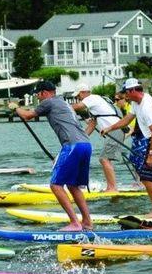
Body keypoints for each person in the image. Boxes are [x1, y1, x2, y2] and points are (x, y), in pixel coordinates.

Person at [9, 80, 93, 231]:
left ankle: (75, 223)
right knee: (73, 186)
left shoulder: (49, 102)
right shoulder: (63, 103)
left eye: (38, 95)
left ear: (44, 93)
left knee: (55, 185)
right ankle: (87, 222)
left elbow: (28, 115)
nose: (38, 98)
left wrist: (16, 108)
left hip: (72, 145)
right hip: (85, 145)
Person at [101, 78, 152, 218]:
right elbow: (127, 119)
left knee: (147, 177)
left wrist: (151, 154)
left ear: (133, 90)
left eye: (126, 92)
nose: (124, 95)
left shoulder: (147, 106)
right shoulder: (135, 102)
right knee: (147, 177)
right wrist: (110, 128)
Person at [71, 83, 123, 192]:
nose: (77, 99)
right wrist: (79, 140)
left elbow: (78, 107)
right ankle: (111, 187)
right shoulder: (96, 104)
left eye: (78, 96)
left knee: (104, 159)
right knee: (105, 159)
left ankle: (112, 188)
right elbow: (92, 125)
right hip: (115, 131)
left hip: (115, 131)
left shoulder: (92, 98)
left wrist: (60, 107)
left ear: (83, 92)